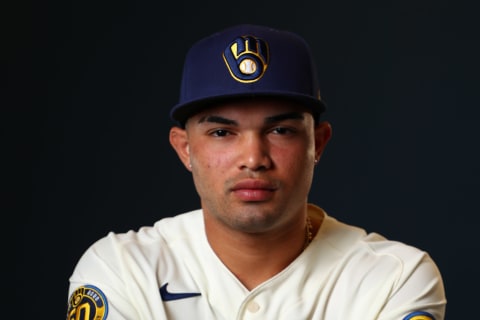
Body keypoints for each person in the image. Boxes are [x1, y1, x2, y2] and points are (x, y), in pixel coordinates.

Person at [66, 24, 447, 320]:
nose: (254, 157)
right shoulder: (124, 268)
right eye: (222, 133)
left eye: (280, 130)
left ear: (319, 143)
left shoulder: (393, 277)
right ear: (185, 149)